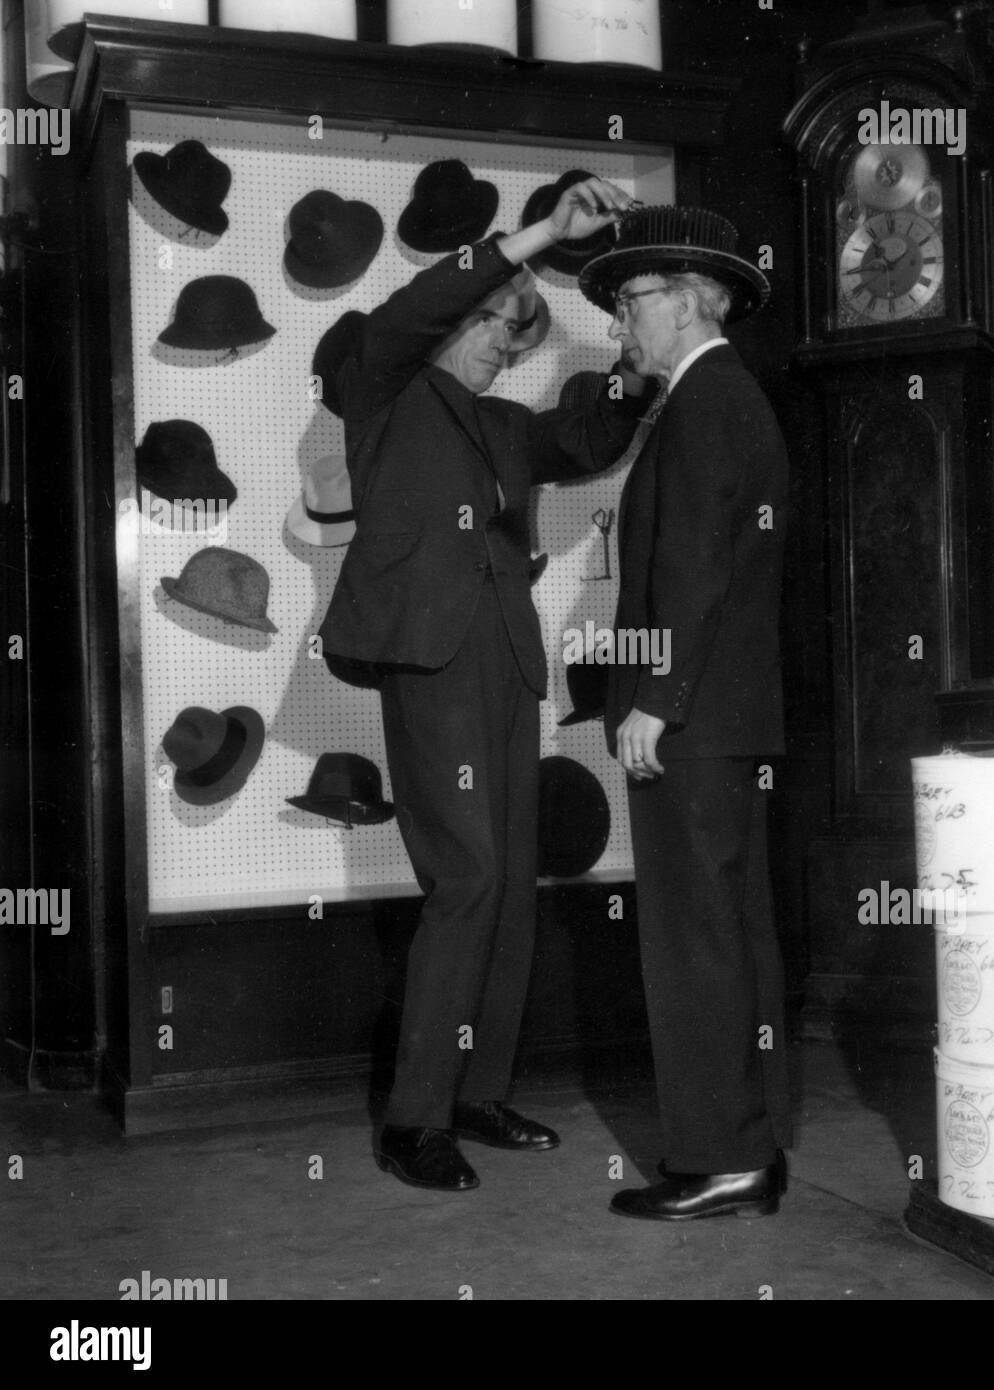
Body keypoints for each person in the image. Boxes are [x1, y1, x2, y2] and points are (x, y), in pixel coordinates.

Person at [320, 176, 650, 1192]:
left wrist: (635, 376)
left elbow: (582, 439)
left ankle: (477, 1092)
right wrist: (542, 234)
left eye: (514, 329)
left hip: (507, 661)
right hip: (430, 660)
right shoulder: (380, 383)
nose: (502, 339)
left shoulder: (505, 426)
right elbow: (410, 309)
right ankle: (412, 1119)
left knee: (508, 885)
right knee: (466, 878)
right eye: (495, 317)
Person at [578, 206, 794, 1220]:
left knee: (694, 939)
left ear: (690, 297)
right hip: (719, 717)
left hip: (693, 718)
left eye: (632, 300)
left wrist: (653, 701)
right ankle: (745, 1146)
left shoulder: (707, 400)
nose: (621, 323)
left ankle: (718, 1157)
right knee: (728, 930)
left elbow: (697, 569)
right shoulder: (709, 398)